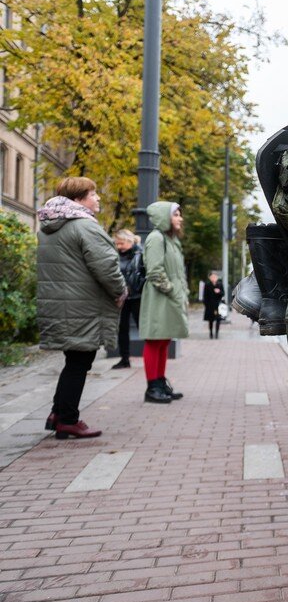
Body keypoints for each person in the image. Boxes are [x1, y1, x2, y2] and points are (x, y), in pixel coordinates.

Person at [36, 177, 127, 439]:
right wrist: (120, 291)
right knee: (80, 361)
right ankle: (67, 419)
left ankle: (57, 413)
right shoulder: (84, 227)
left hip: (62, 304)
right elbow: (107, 267)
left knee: (73, 360)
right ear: (78, 199)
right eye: (93, 194)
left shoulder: (49, 226)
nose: (97, 198)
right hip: (82, 307)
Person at [139, 201, 189, 403]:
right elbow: (155, 271)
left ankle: (159, 382)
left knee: (164, 339)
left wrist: (180, 293)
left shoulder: (171, 240)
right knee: (154, 339)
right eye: (176, 214)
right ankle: (152, 388)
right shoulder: (156, 238)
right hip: (160, 297)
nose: (180, 218)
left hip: (169, 297)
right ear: (164, 217)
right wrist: (171, 290)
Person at [112, 229, 144, 368]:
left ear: (130, 241)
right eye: (117, 244)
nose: (119, 246)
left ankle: (150, 356)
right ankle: (125, 359)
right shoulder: (115, 256)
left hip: (137, 296)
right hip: (122, 297)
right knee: (122, 328)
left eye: (122, 243)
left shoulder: (140, 254)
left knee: (142, 327)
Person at [202, 271, 225, 339]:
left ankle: (217, 333)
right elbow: (205, 296)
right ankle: (211, 333)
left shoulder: (220, 284)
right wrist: (206, 304)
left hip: (218, 304)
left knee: (218, 319)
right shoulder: (207, 284)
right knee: (210, 320)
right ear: (210, 278)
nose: (214, 278)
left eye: (215, 277)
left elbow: (223, 293)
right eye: (212, 277)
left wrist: (219, 292)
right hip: (210, 305)